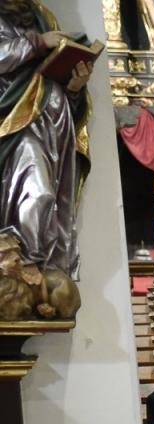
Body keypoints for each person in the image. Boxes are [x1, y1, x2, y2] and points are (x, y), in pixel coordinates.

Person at [0, 0, 92, 277]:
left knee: (53, 205)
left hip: (54, 130)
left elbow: (58, 76)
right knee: (38, 194)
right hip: (15, 126)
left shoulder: (44, 16)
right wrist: (38, 42)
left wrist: (75, 87)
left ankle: (39, 272)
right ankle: (21, 268)